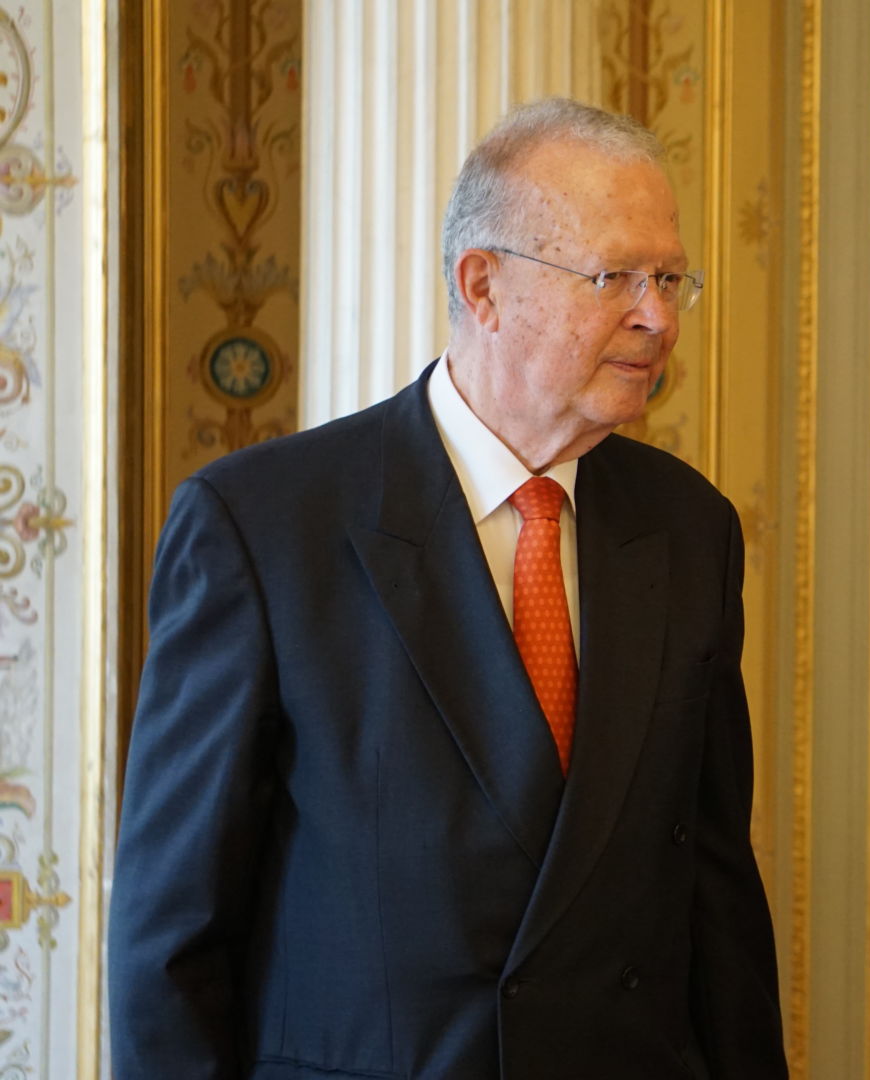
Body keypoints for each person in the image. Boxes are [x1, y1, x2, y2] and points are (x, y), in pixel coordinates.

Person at [109, 98, 785, 1079]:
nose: (659, 318)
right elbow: (172, 934)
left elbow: (717, 895)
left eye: (672, 278)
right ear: (484, 286)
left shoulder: (690, 529)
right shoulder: (262, 525)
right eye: (617, 279)